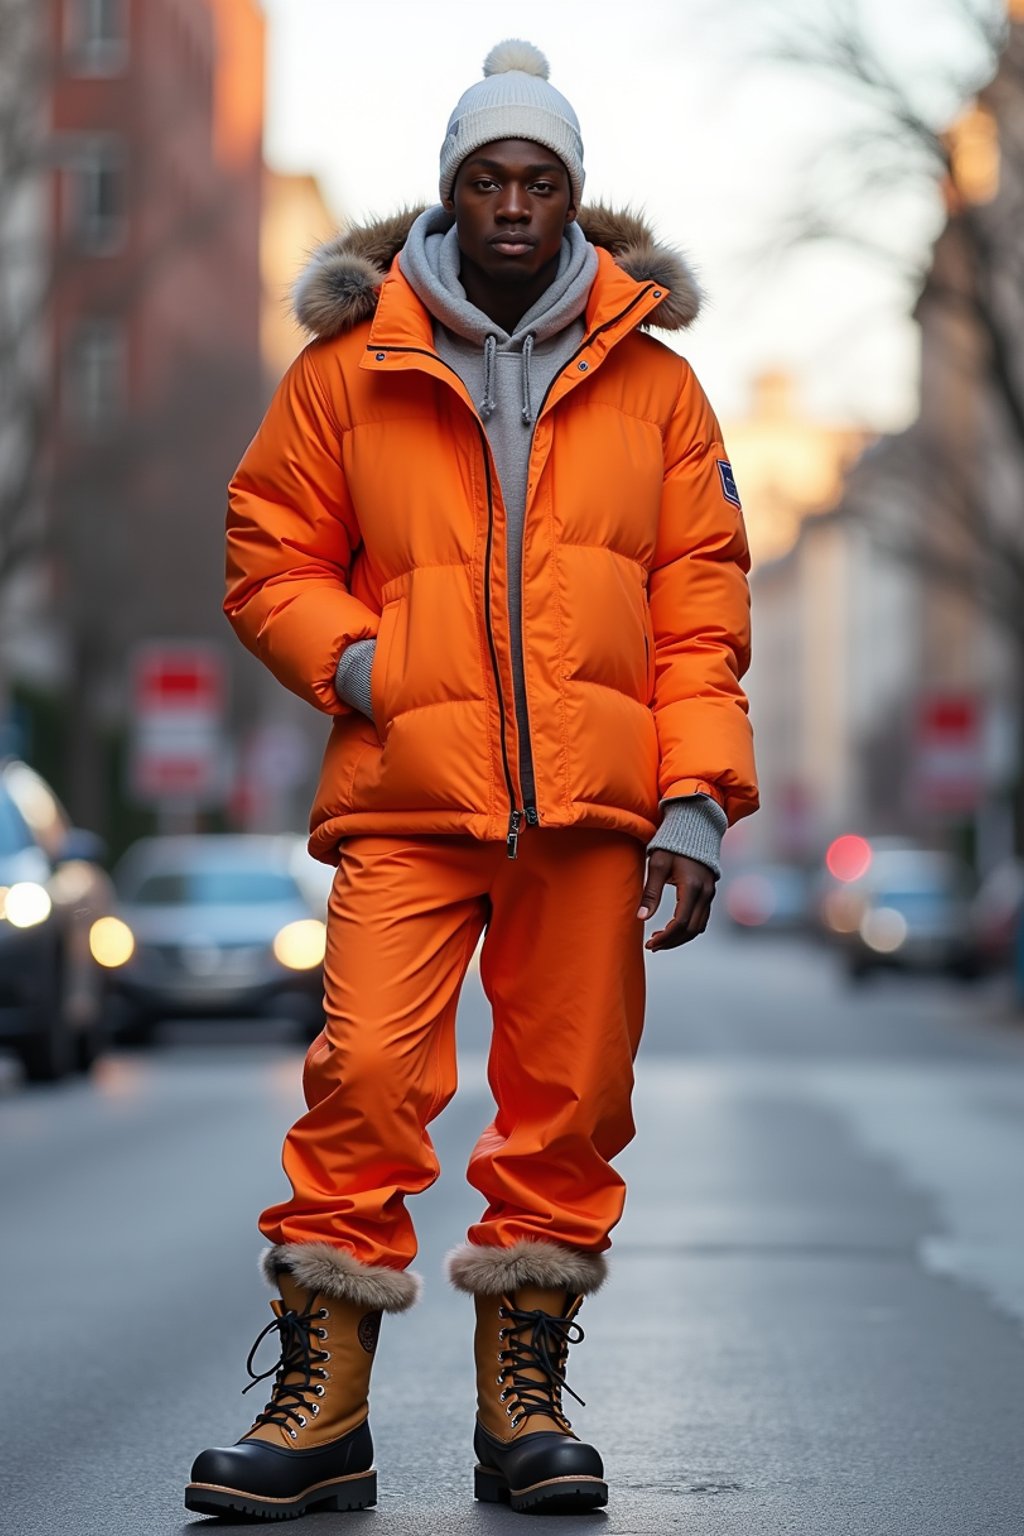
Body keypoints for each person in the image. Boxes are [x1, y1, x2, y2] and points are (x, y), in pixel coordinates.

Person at [186, 38, 758, 1522]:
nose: (514, 202)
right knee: (365, 1077)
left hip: (591, 812)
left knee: (566, 1108)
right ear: (450, 192)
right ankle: (324, 1417)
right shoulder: (345, 370)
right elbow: (268, 554)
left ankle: (524, 1414)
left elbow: (702, 607)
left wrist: (696, 801)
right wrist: (370, 669)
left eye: (540, 179)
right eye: (487, 177)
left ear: (575, 198)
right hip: (408, 794)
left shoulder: (662, 389)